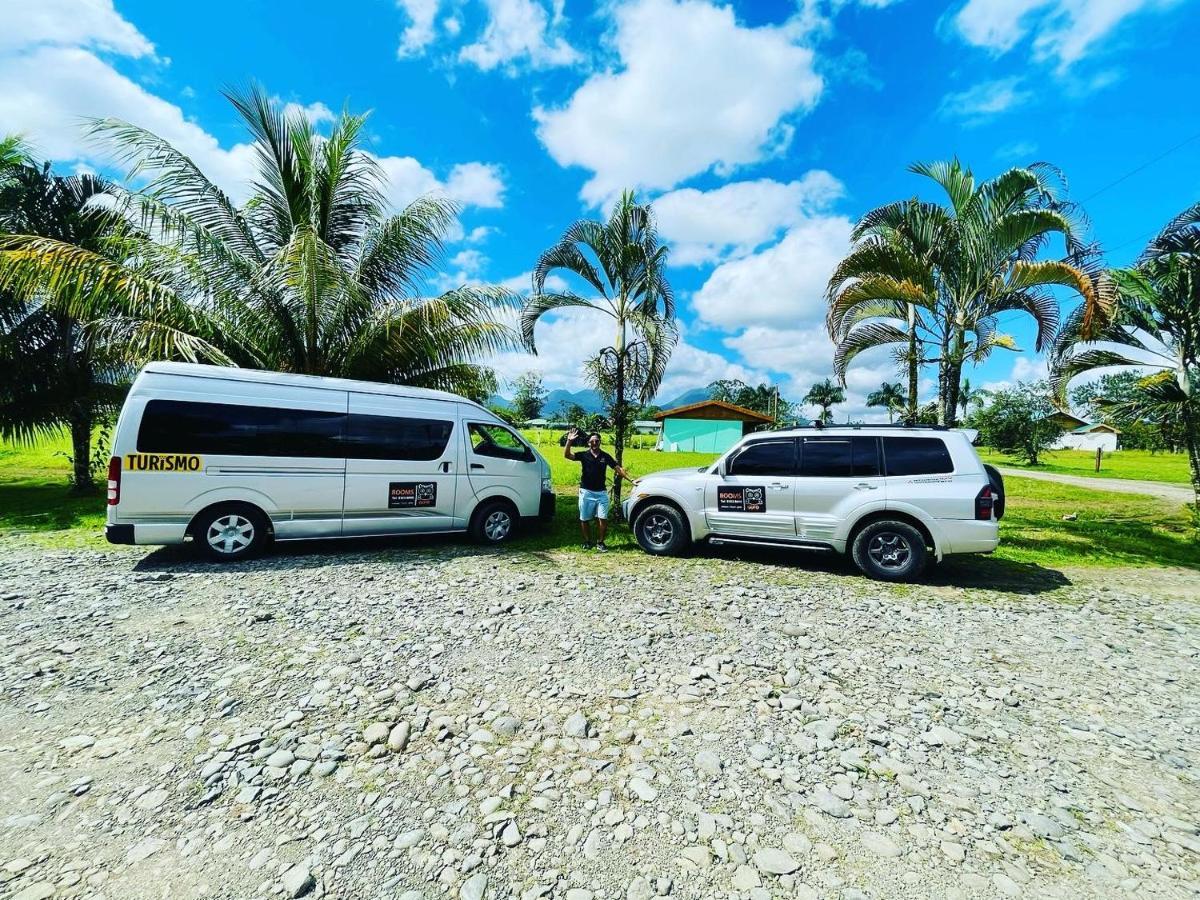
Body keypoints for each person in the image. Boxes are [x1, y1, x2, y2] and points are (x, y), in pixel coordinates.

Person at [564, 427, 636, 552]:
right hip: (586, 491)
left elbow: (617, 468)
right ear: (588, 443)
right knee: (584, 518)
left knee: (602, 518)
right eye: (592, 441)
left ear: (600, 442)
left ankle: (601, 542)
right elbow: (567, 455)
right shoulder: (584, 455)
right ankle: (587, 541)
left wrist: (631, 480)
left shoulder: (605, 456)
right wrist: (569, 441)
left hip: (601, 492)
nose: (594, 443)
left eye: (597, 441)